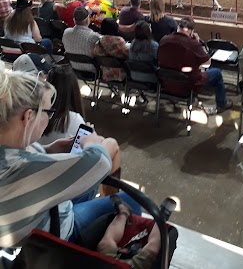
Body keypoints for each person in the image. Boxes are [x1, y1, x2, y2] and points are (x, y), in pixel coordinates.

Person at [0, 63, 140, 248]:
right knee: (131, 199)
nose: (49, 118)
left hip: (38, 210)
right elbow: (99, 161)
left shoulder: (9, 151)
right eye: (48, 113)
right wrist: (91, 142)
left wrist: (50, 149)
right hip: (56, 230)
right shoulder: (23, 168)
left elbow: (27, 163)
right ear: (28, 117)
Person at [158, 17, 232, 113]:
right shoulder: (193, 44)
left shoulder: (164, 40)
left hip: (166, 83)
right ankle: (222, 104)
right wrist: (197, 43)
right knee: (216, 73)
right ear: (191, 32)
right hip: (188, 85)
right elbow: (207, 62)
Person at [97, 200, 161, 268]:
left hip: (109, 264)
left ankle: (124, 213)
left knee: (104, 244)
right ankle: (160, 221)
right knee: (151, 250)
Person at [62, 6, 101, 73]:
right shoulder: (94, 36)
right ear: (87, 20)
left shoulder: (66, 32)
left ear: (74, 20)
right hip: (91, 70)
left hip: (73, 67)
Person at [128, 20, 158, 85]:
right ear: (148, 31)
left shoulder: (132, 43)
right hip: (150, 77)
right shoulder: (153, 45)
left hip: (133, 76)